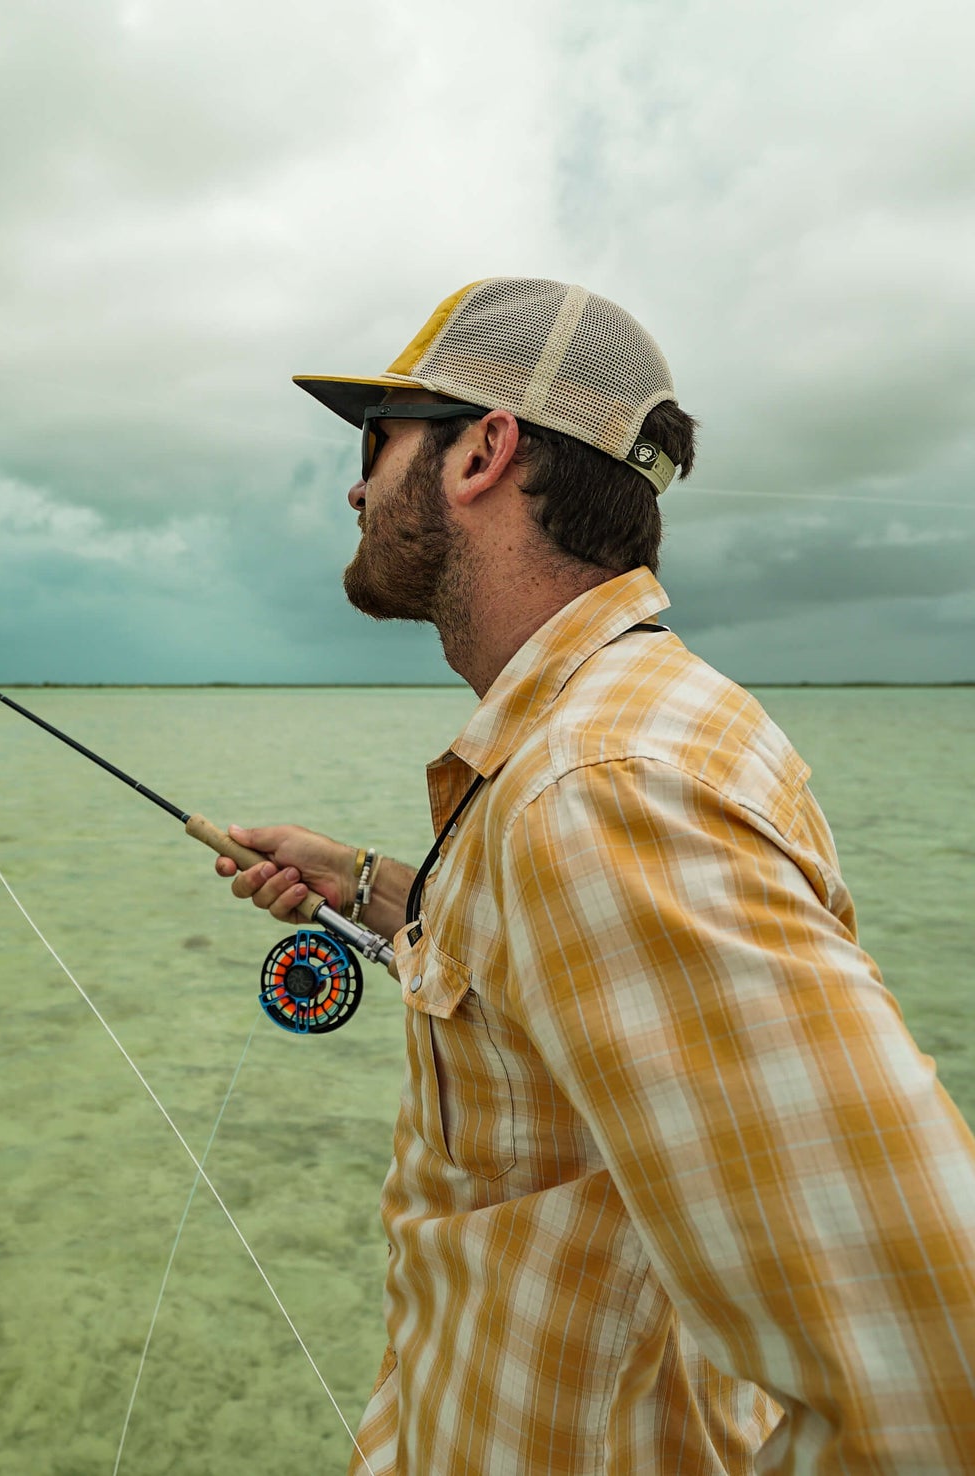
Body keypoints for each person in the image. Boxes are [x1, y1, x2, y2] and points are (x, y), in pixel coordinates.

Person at [214, 278, 975, 1473]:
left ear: (482, 452)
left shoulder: (600, 790)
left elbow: (930, 1360)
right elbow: (547, 983)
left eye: (376, 445)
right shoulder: (616, 735)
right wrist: (361, 882)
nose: (355, 490)